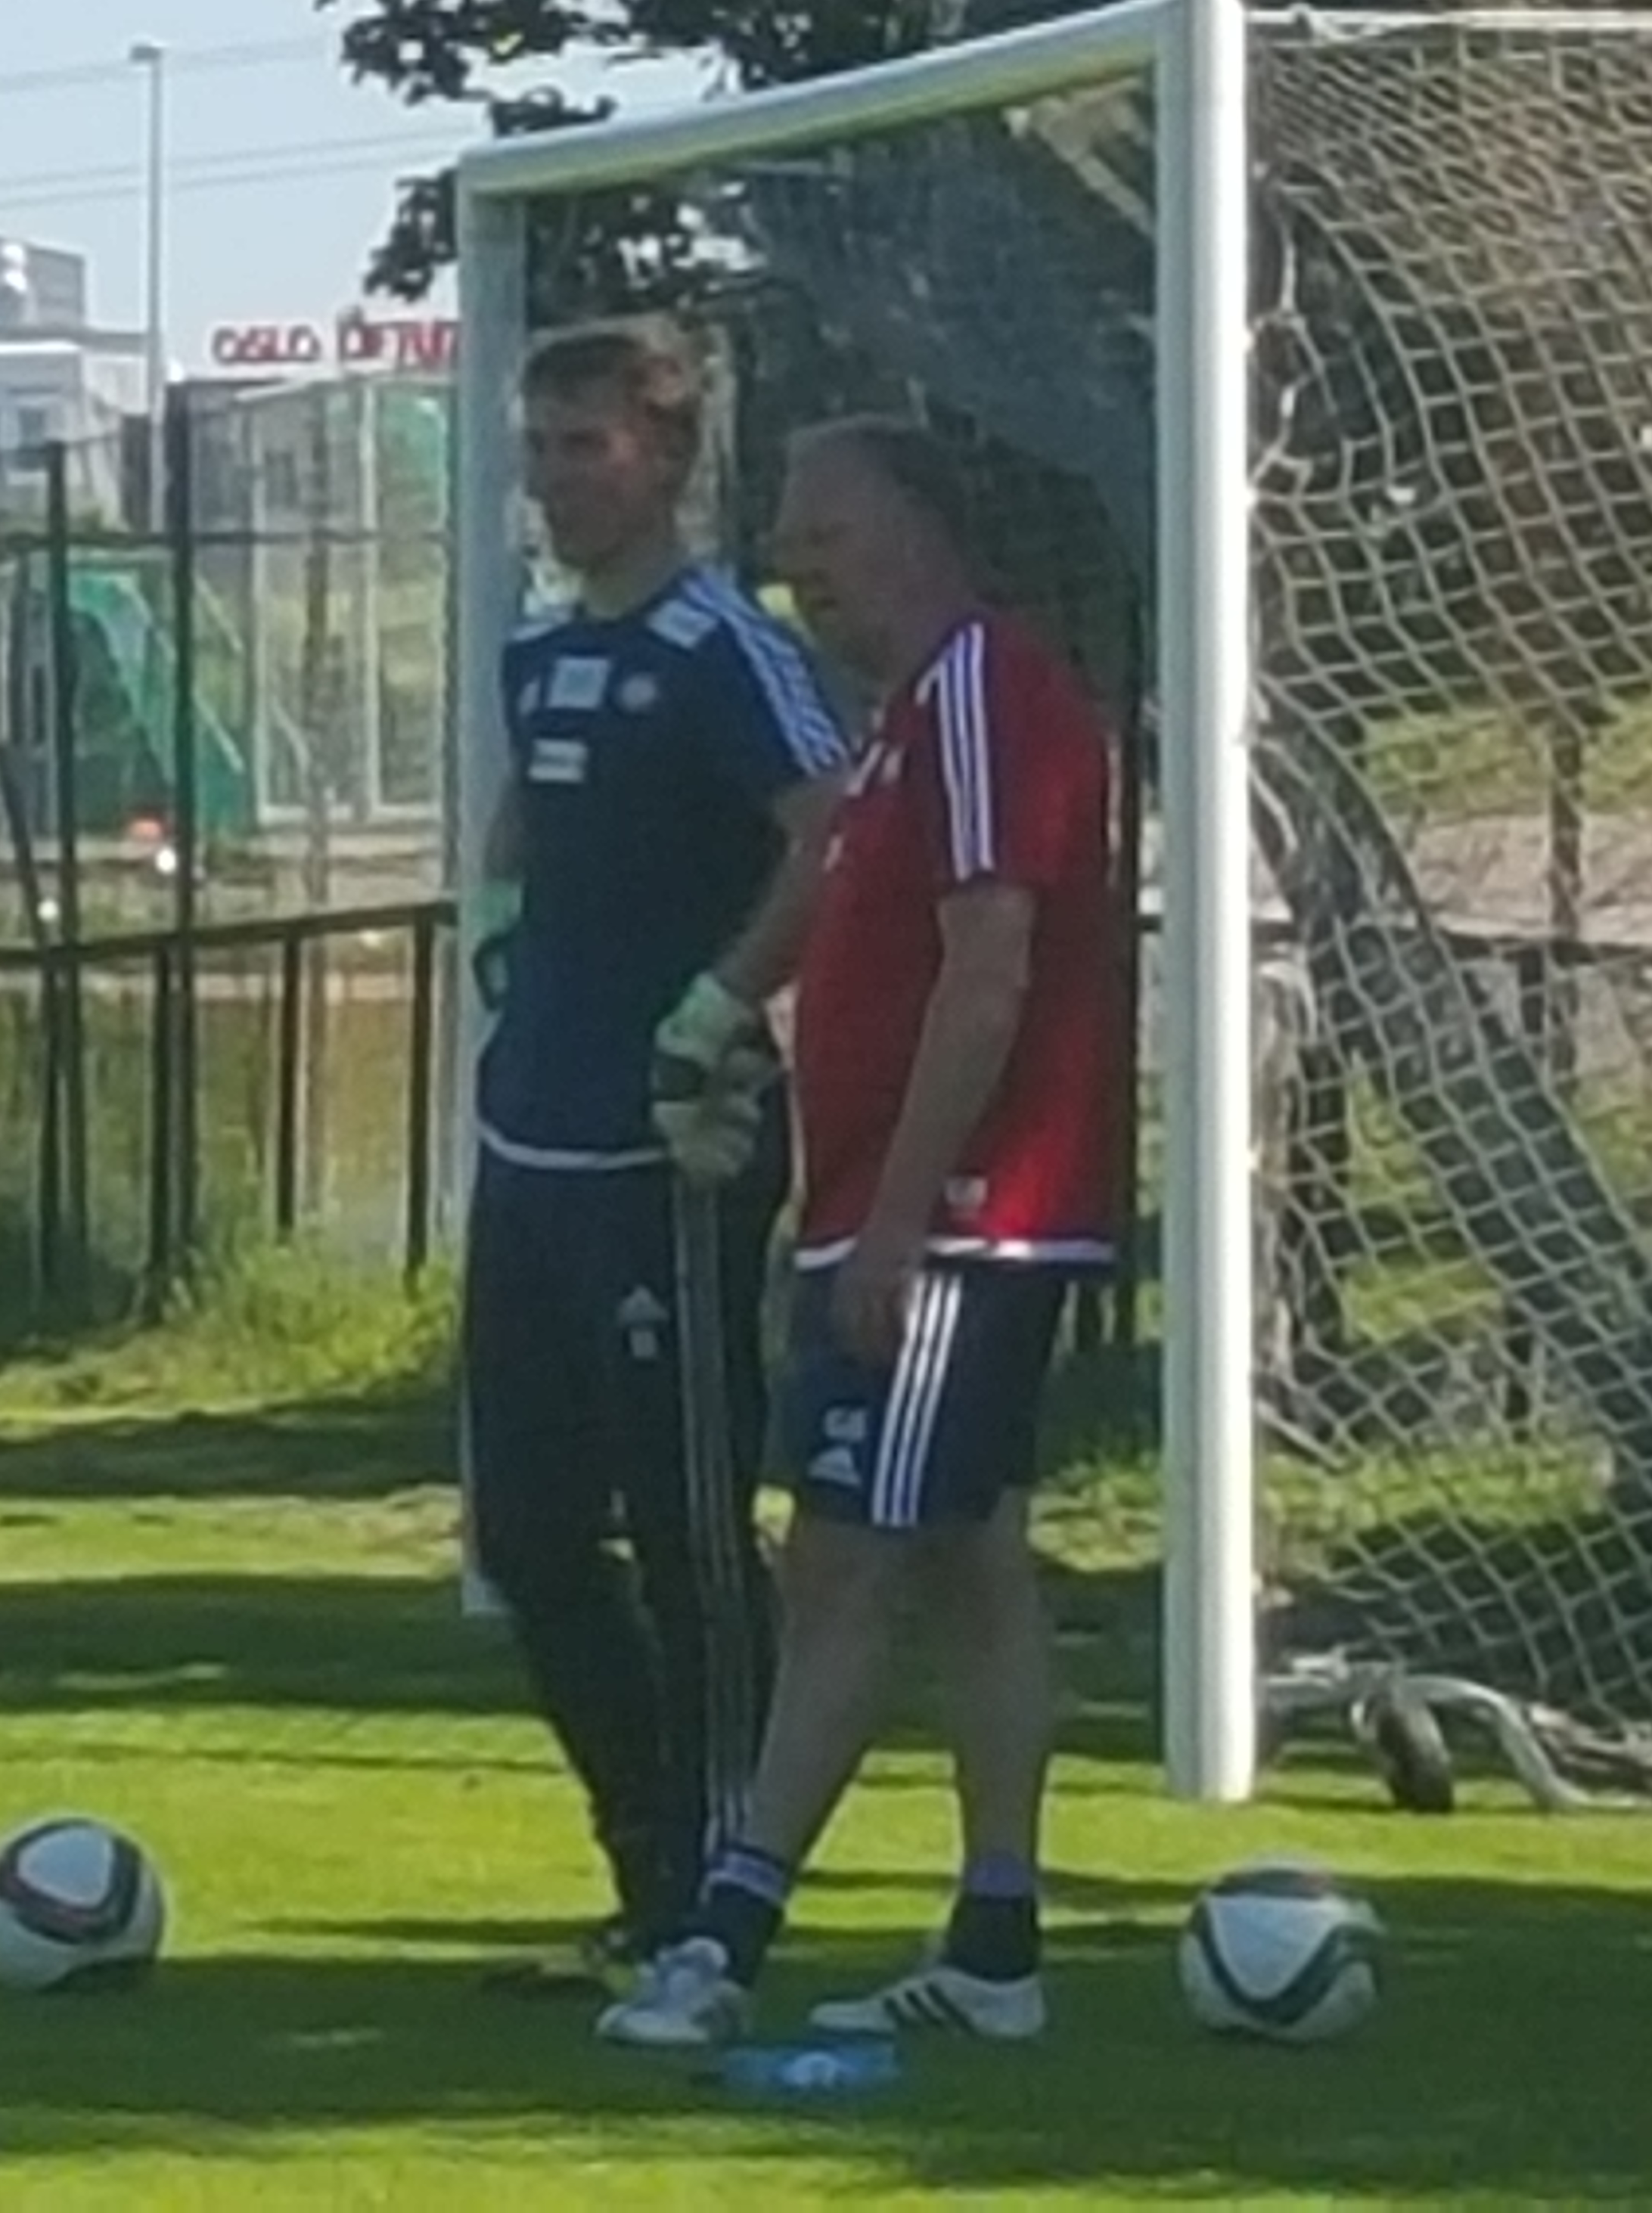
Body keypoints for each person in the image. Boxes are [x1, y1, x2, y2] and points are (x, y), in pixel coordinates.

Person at [598, 414, 1119, 2050]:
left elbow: (990, 966)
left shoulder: (978, 689)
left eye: (825, 525)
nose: (799, 559)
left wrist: (900, 1220)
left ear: (916, 521)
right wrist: (731, 1029)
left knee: (844, 1561)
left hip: (960, 1224)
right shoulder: (901, 726)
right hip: (900, 1217)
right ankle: (996, 1945)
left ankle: (724, 1938)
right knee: (968, 1564)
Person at [462, 318, 856, 1990]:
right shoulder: (539, 656)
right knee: (530, 1540)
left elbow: (830, 833)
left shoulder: (722, 651)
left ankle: (726, 1884)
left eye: (586, 449)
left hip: (668, 1165)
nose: (555, 482)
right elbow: (528, 833)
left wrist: (715, 1010)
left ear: (668, 459)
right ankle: (644, 1868)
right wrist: (497, 928)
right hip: (525, 1147)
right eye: (540, 449)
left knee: (689, 1524)